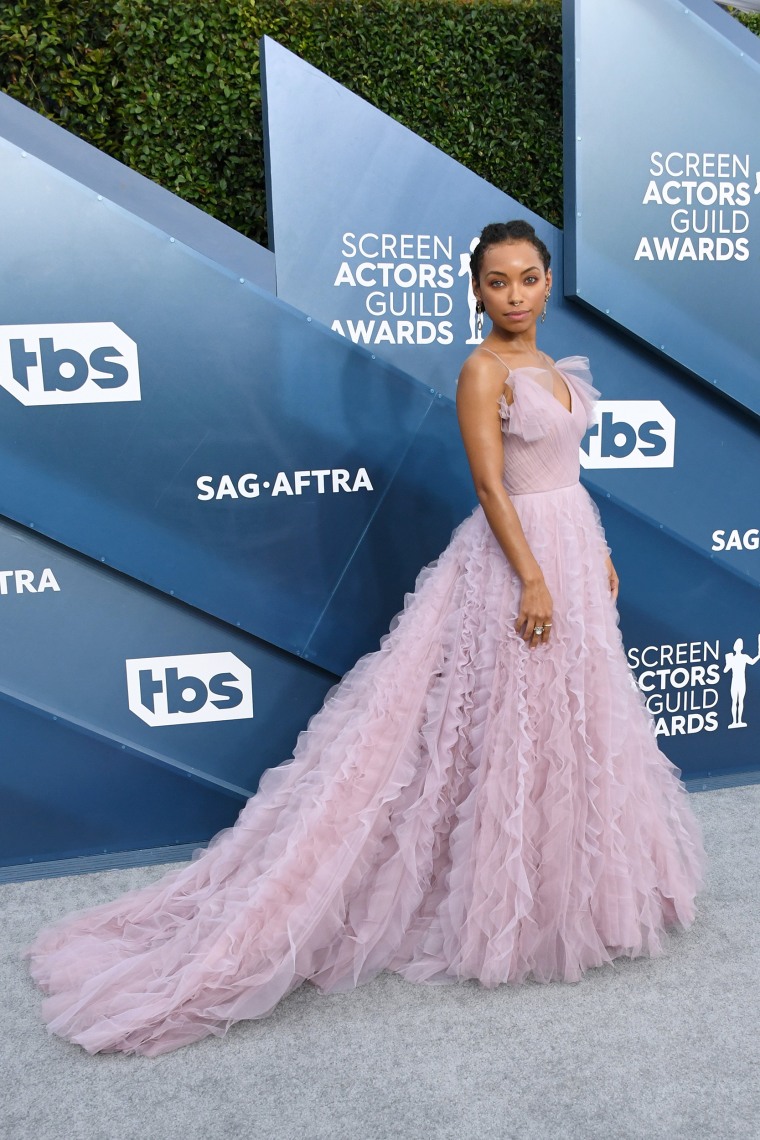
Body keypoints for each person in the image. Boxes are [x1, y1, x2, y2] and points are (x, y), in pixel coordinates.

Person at [25, 220, 706, 1057]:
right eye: (499, 283)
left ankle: (572, 891)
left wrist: (595, 549)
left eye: (530, 279)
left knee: (575, 720)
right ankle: (501, 907)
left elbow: (565, 474)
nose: (517, 296)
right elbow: (492, 488)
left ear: (548, 280)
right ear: (477, 291)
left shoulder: (554, 369)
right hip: (517, 558)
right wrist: (532, 576)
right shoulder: (481, 370)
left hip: (571, 542)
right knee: (509, 725)